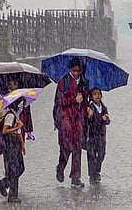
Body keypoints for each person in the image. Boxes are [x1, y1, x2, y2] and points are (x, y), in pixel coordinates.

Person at [0, 78, 34, 198]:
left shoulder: (23, 97)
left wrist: (24, 137)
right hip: (8, 139)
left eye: (15, 83)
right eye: (9, 84)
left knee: (19, 167)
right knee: (12, 166)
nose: (12, 86)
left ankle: (4, 183)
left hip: (18, 135)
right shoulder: (1, 99)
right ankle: (13, 195)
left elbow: (27, 115)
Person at [52, 59, 85, 187]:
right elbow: (59, 101)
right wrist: (74, 99)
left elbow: (85, 99)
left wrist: (86, 107)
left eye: (78, 71)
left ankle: (75, 177)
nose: (76, 73)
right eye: (74, 71)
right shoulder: (63, 82)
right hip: (65, 119)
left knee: (77, 149)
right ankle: (61, 167)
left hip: (78, 120)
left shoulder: (83, 82)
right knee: (66, 147)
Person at [0, 96, 27, 204]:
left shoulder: (16, 115)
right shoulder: (10, 115)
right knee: (15, 169)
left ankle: (4, 183)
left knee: (21, 168)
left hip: (16, 144)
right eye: (20, 103)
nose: (22, 106)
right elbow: (4, 131)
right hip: (10, 145)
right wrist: (17, 127)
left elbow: (19, 132)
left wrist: (22, 144)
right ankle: (12, 196)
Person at [82, 87, 109, 184]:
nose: (97, 96)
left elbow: (108, 120)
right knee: (91, 155)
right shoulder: (90, 107)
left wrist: (106, 119)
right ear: (91, 96)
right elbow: (85, 121)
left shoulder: (103, 107)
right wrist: (89, 116)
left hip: (101, 135)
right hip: (92, 135)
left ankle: (97, 171)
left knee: (102, 153)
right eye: (95, 94)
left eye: (99, 94)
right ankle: (92, 174)